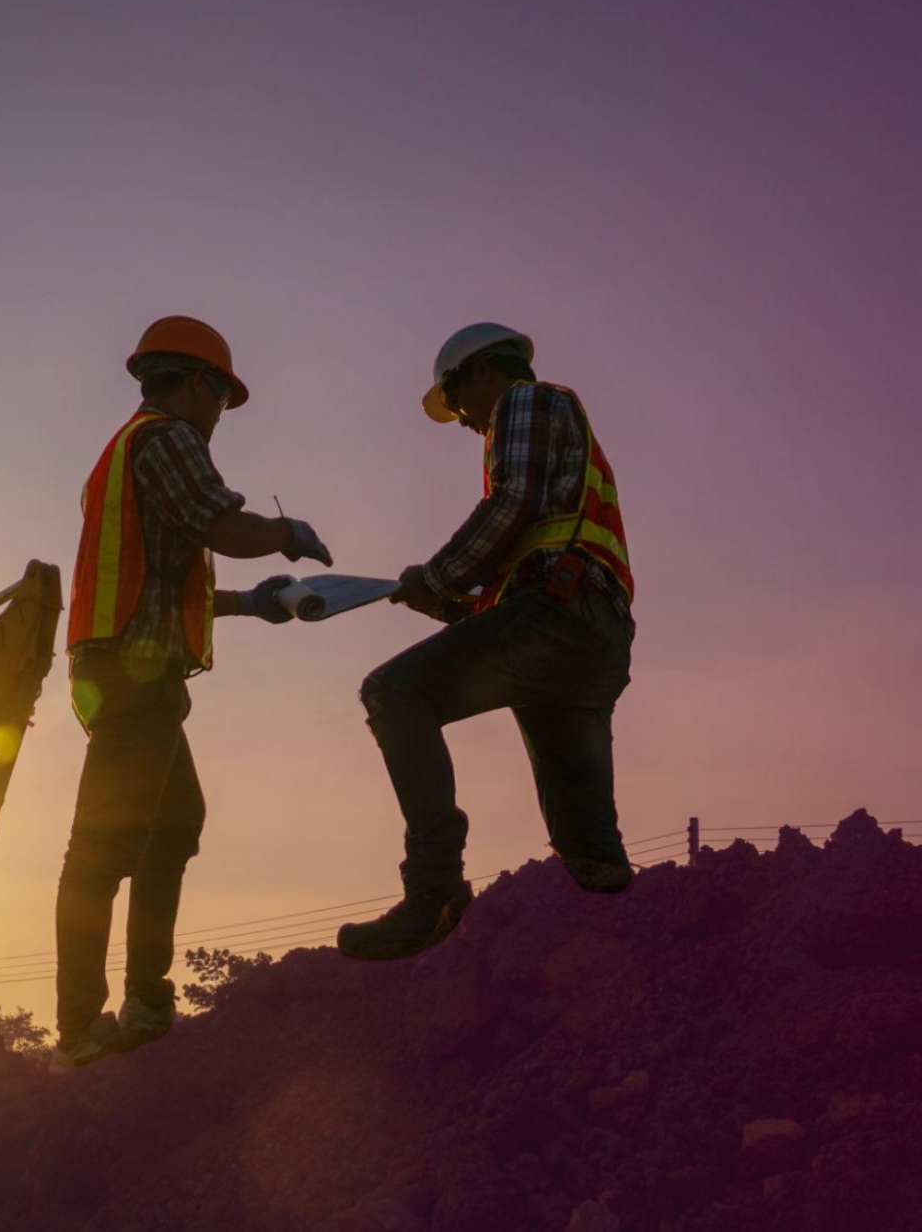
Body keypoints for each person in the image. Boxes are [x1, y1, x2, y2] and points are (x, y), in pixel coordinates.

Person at [54, 315, 333, 1068]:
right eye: (220, 398)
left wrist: (254, 602)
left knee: (172, 825)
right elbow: (222, 525)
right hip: (133, 677)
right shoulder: (167, 437)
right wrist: (283, 532)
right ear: (195, 383)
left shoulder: (125, 455)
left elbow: (157, 583)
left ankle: (144, 998)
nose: (219, 418)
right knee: (104, 844)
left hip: (124, 670)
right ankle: (81, 1024)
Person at [338, 323, 637, 961]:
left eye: (458, 402)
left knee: (394, 692)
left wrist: (438, 575)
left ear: (479, 373)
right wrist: (449, 605)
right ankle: (620, 906)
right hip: (593, 638)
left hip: (556, 618)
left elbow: (513, 502)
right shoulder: (575, 445)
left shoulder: (523, 402)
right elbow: (523, 563)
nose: (469, 424)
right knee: (593, 856)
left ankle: (433, 890)